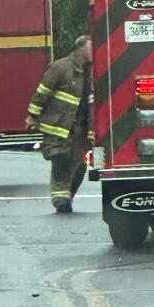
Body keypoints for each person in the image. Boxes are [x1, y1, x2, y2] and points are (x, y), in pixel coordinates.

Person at [26, 36, 93, 214]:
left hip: (81, 128)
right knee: (61, 160)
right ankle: (60, 200)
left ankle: (67, 196)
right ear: (80, 50)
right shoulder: (60, 67)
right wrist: (32, 116)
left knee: (80, 164)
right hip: (59, 126)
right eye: (90, 48)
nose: (94, 52)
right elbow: (43, 92)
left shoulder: (93, 71)